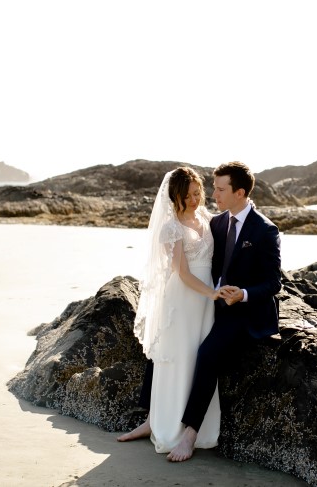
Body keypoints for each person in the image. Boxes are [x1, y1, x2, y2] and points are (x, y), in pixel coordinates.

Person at [119, 161, 282, 463]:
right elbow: (195, 261)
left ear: (240, 192)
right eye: (213, 189)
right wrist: (214, 292)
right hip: (206, 300)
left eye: (219, 189)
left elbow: (274, 283)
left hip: (243, 311)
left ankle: (191, 432)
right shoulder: (215, 222)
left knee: (205, 356)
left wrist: (243, 294)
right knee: (165, 346)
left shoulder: (265, 230)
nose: (212, 195)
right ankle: (152, 419)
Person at [117, 166, 226, 455]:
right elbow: (182, 273)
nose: (195, 199)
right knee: (178, 358)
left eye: (198, 192)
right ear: (176, 195)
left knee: (198, 359)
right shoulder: (171, 228)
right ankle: (164, 426)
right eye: (188, 194)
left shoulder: (206, 218)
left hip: (207, 301)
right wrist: (212, 293)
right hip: (185, 297)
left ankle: (195, 428)